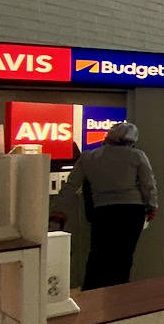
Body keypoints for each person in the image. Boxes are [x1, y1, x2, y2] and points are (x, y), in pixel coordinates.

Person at [52, 122, 157, 290]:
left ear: (108, 137)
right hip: (132, 211)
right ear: (132, 140)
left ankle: (92, 294)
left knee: (98, 255)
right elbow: (148, 184)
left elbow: (70, 185)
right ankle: (119, 294)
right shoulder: (137, 156)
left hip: (103, 210)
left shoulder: (88, 157)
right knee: (124, 255)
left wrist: (59, 208)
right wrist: (152, 206)